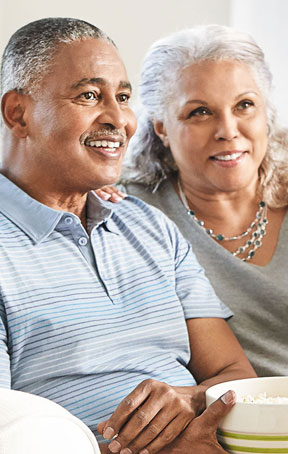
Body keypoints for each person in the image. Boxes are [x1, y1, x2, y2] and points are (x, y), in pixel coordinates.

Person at [0, 18, 255, 454]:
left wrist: (190, 400)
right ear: (18, 114)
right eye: (89, 96)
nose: (120, 119)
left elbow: (236, 375)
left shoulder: (150, 226)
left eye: (122, 97)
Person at [98, 24, 288, 378]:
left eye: (244, 105)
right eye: (200, 112)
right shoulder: (127, 209)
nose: (228, 130)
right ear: (161, 128)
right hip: (220, 418)